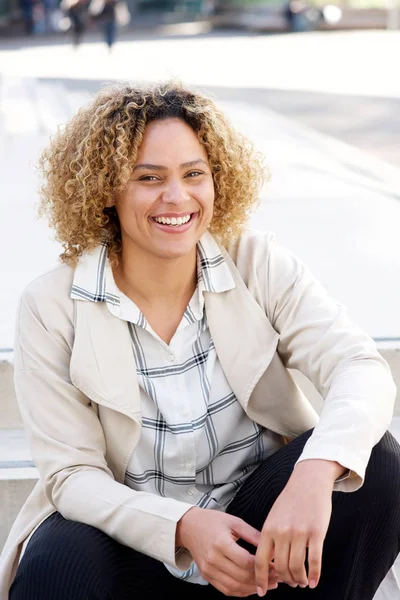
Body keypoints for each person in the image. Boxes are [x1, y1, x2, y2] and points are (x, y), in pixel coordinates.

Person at [1, 81, 399, 600]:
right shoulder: (52, 305)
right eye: (149, 178)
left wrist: (314, 474)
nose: (177, 197)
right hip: (136, 541)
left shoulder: (256, 263)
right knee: (59, 560)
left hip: (259, 539)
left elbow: (357, 364)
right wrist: (184, 526)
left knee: (378, 462)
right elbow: (73, 475)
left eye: (194, 174)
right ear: (106, 189)